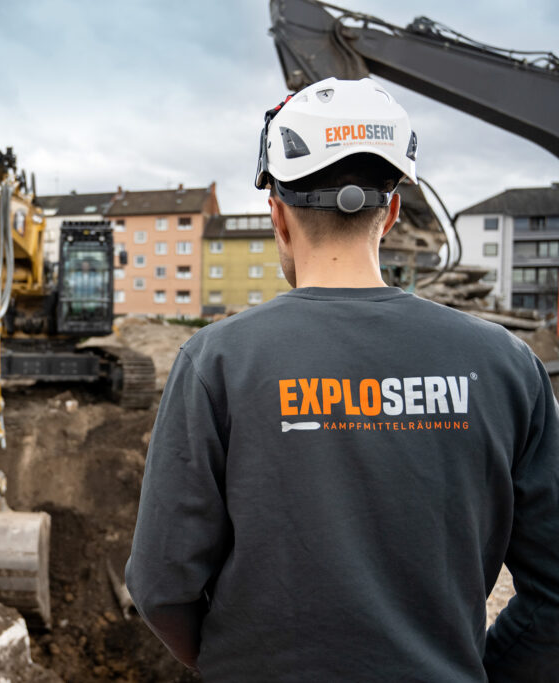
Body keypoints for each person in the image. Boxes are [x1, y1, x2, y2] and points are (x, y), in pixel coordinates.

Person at [125, 77, 559, 681]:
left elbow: (160, 585)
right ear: (392, 213)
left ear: (277, 214)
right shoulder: (510, 368)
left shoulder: (216, 362)